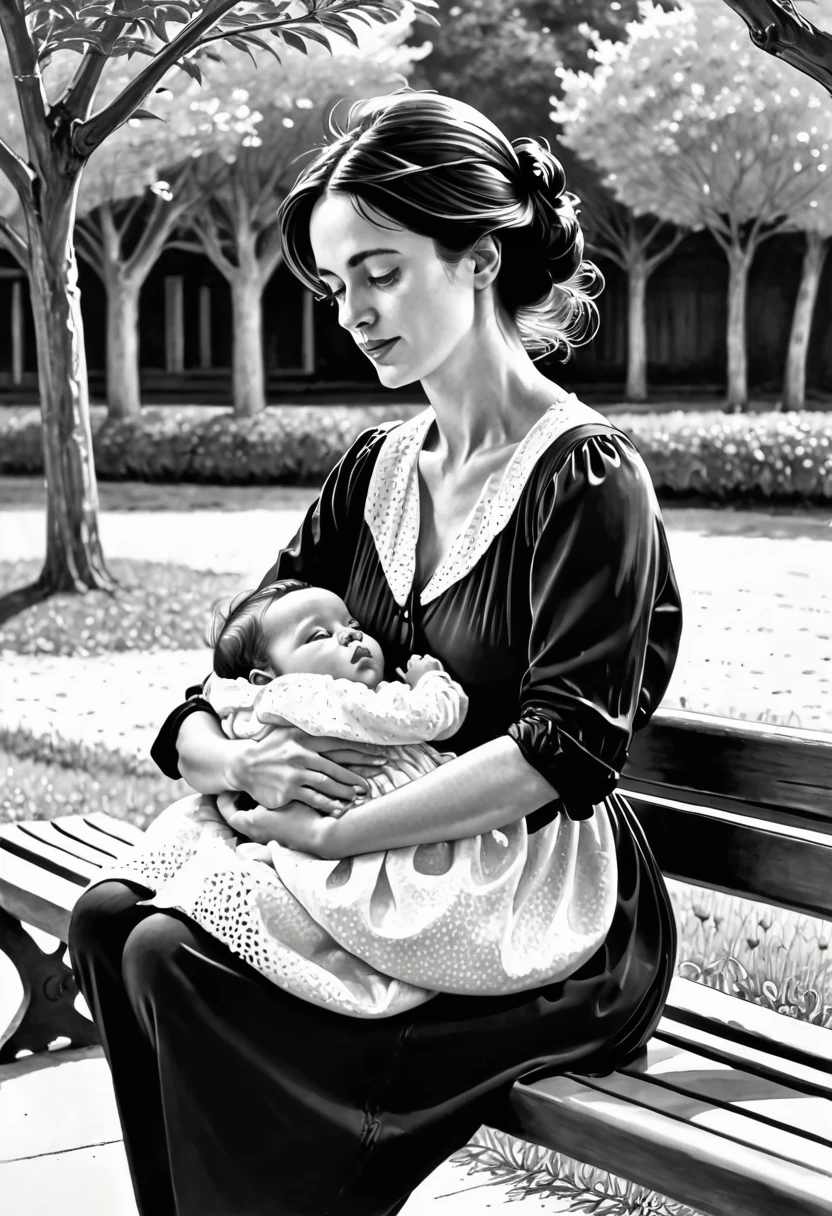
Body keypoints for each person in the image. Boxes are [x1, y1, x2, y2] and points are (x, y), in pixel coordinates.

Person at [68, 88, 683, 1216]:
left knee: (175, 958)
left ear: (481, 256)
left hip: (537, 903)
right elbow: (224, 674)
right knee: (111, 919)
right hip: (374, 873)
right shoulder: (376, 469)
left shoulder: (589, 483)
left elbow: (563, 757)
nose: (350, 309)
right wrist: (241, 765)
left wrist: (333, 828)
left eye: (380, 271)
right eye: (333, 281)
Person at [86, 578, 618, 1016]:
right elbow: (430, 716)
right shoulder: (345, 699)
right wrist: (431, 681)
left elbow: (210, 692)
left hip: (378, 825)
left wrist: (274, 792)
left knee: (145, 938)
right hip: (355, 830)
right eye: (323, 634)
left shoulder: (250, 697)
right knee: (111, 922)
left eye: (354, 626)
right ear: (263, 673)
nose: (350, 637)